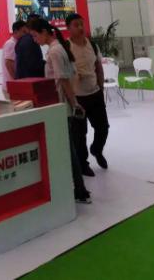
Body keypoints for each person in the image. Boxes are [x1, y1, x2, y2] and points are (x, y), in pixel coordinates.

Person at [28, 17, 91, 204]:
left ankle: (80, 190)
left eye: (35, 35)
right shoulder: (59, 48)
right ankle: (79, 188)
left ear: (44, 32)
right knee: (68, 148)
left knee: (68, 150)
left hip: (60, 105)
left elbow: (63, 80)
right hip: (63, 105)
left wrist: (74, 103)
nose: (34, 40)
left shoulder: (55, 51)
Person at [67, 13, 109, 176]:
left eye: (81, 24)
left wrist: (101, 86)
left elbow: (98, 66)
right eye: (76, 25)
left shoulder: (92, 44)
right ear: (69, 28)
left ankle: (97, 150)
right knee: (80, 133)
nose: (80, 28)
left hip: (95, 93)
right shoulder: (66, 47)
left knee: (103, 128)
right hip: (77, 97)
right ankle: (83, 164)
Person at [1, 21, 27, 97]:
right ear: (15, 32)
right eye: (24, 32)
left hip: (13, 86)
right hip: (11, 87)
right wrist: (17, 81)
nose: (26, 34)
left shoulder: (17, 43)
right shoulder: (11, 43)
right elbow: (8, 63)